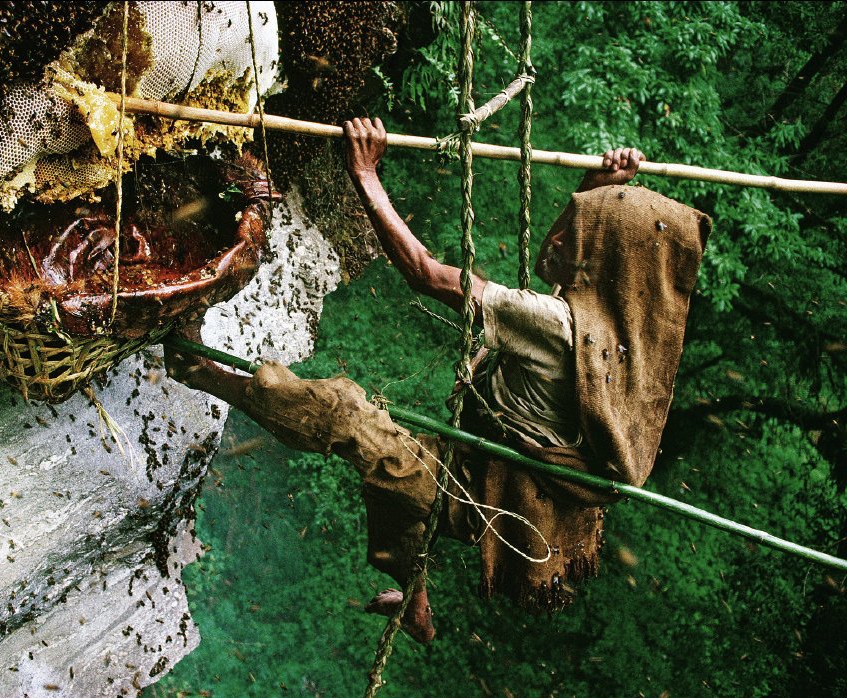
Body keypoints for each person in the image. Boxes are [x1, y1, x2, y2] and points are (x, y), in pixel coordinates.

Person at [167, 118, 711, 643]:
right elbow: (557, 262)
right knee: (391, 490)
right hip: (479, 461)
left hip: (475, 490)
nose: (560, 239)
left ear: (606, 263)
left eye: (581, 237)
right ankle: (415, 607)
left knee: (347, 415)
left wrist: (364, 175)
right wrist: (594, 188)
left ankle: (199, 369)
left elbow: (425, 273)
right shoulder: (623, 344)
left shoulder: (555, 327)